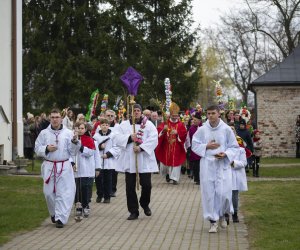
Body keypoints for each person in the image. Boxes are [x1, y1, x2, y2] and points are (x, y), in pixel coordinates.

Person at [192, 105, 239, 233]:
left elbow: (234, 147)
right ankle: (213, 221)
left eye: (213, 113)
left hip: (222, 165)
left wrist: (226, 154)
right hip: (208, 165)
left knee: (224, 194)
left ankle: (223, 214)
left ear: (219, 114)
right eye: (208, 113)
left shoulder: (226, 129)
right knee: (209, 194)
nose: (211, 116)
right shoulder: (202, 130)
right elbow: (194, 144)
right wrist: (206, 146)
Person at [35, 108, 80, 228]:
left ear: (61, 118)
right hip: (49, 166)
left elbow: (73, 152)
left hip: (64, 166)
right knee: (48, 193)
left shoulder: (68, 133)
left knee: (63, 193)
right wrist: (46, 149)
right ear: (50, 118)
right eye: (53, 117)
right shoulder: (44, 133)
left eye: (57, 117)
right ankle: (54, 213)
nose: (55, 120)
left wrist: (75, 142)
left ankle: (61, 218)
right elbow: (37, 148)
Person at [116, 104, 158, 220]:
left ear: (141, 112)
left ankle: (144, 203)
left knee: (147, 185)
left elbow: (154, 139)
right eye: (134, 111)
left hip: (144, 159)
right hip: (130, 159)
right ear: (130, 113)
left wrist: (141, 148)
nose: (136, 112)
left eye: (138, 110)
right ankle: (133, 211)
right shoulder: (123, 125)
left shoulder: (148, 125)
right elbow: (117, 138)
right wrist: (130, 138)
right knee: (130, 187)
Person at [73, 121, 100, 218]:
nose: (79, 130)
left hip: (86, 168)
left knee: (85, 188)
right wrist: (72, 163)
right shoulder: (72, 139)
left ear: (85, 129)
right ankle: (78, 207)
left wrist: (80, 147)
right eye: (77, 128)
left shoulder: (89, 140)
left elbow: (91, 153)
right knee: (76, 189)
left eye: (81, 128)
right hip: (75, 169)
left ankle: (85, 205)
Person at [156, 102, 187, 185]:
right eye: (173, 115)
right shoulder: (166, 123)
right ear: (170, 115)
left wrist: (178, 133)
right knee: (166, 161)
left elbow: (184, 134)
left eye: (176, 115)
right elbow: (159, 131)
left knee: (176, 162)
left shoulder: (180, 124)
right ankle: (168, 175)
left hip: (177, 146)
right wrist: (164, 130)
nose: (175, 117)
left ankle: (175, 178)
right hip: (166, 146)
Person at [93, 118, 120, 203]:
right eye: (103, 125)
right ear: (100, 126)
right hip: (99, 161)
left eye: (106, 125)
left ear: (109, 126)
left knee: (108, 180)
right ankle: (100, 194)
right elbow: (92, 147)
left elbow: (117, 147)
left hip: (109, 161)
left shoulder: (113, 136)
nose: (105, 126)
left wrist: (108, 154)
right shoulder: (96, 136)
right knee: (98, 179)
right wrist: (100, 147)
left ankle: (107, 196)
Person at [230, 126, 249, 223]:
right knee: (224, 195)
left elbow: (244, 163)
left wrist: (233, 163)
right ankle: (225, 214)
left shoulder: (240, 148)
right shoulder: (223, 146)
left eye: (232, 131)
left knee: (234, 195)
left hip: (236, 174)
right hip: (225, 174)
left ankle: (235, 213)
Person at [188, 112, 202, 185]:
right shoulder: (192, 128)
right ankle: (197, 178)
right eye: (194, 120)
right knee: (196, 164)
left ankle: (201, 178)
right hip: (195, 148)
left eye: (196, 120)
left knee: (201, 164)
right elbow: (189, 138)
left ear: (200, 121)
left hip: (202, 148)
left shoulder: (203, 128)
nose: (194, 122)